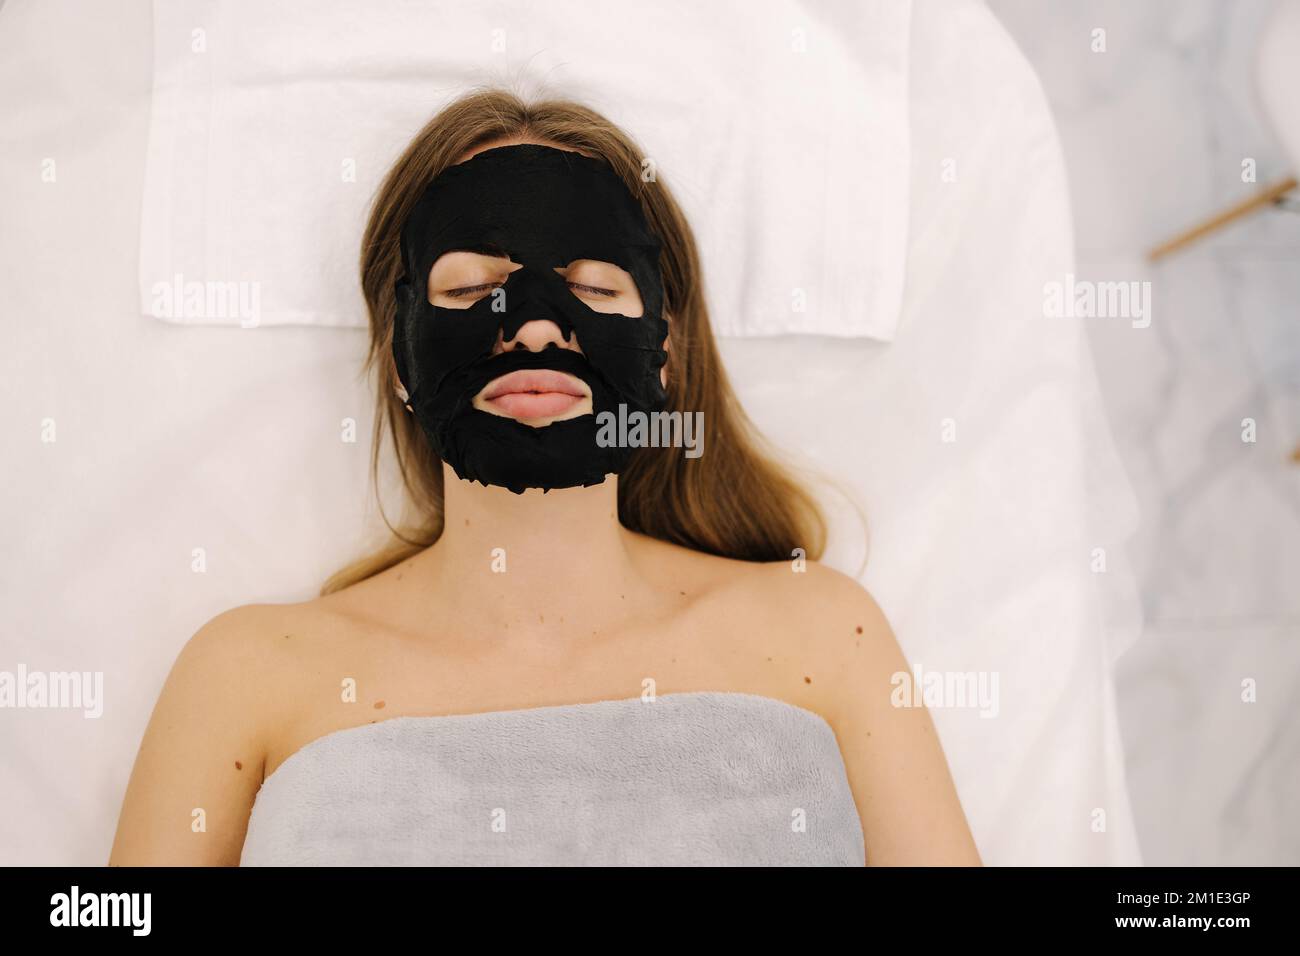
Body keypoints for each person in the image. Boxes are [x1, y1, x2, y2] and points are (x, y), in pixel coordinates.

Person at [109, 88, 981, 866]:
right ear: (400, 354)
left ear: (663, 349)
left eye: (593, 289)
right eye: (471, 289)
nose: (532, 330)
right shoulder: (249, 672)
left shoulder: (822, 634)